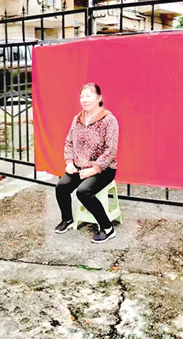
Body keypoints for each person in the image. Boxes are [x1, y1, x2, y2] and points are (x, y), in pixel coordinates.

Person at [54, 83, 120, 244]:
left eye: (89, 96)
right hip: (79, 166)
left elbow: (110, 150)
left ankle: (107, 228)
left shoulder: (109, 120)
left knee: (83, 192)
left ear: (99, 98)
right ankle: (67, 219)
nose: (84, 100)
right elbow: (69, 142)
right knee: (61, 186)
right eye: (82, 96)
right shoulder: (77, 119)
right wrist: (69, 162)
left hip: (104, 168)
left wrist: (95, 169)